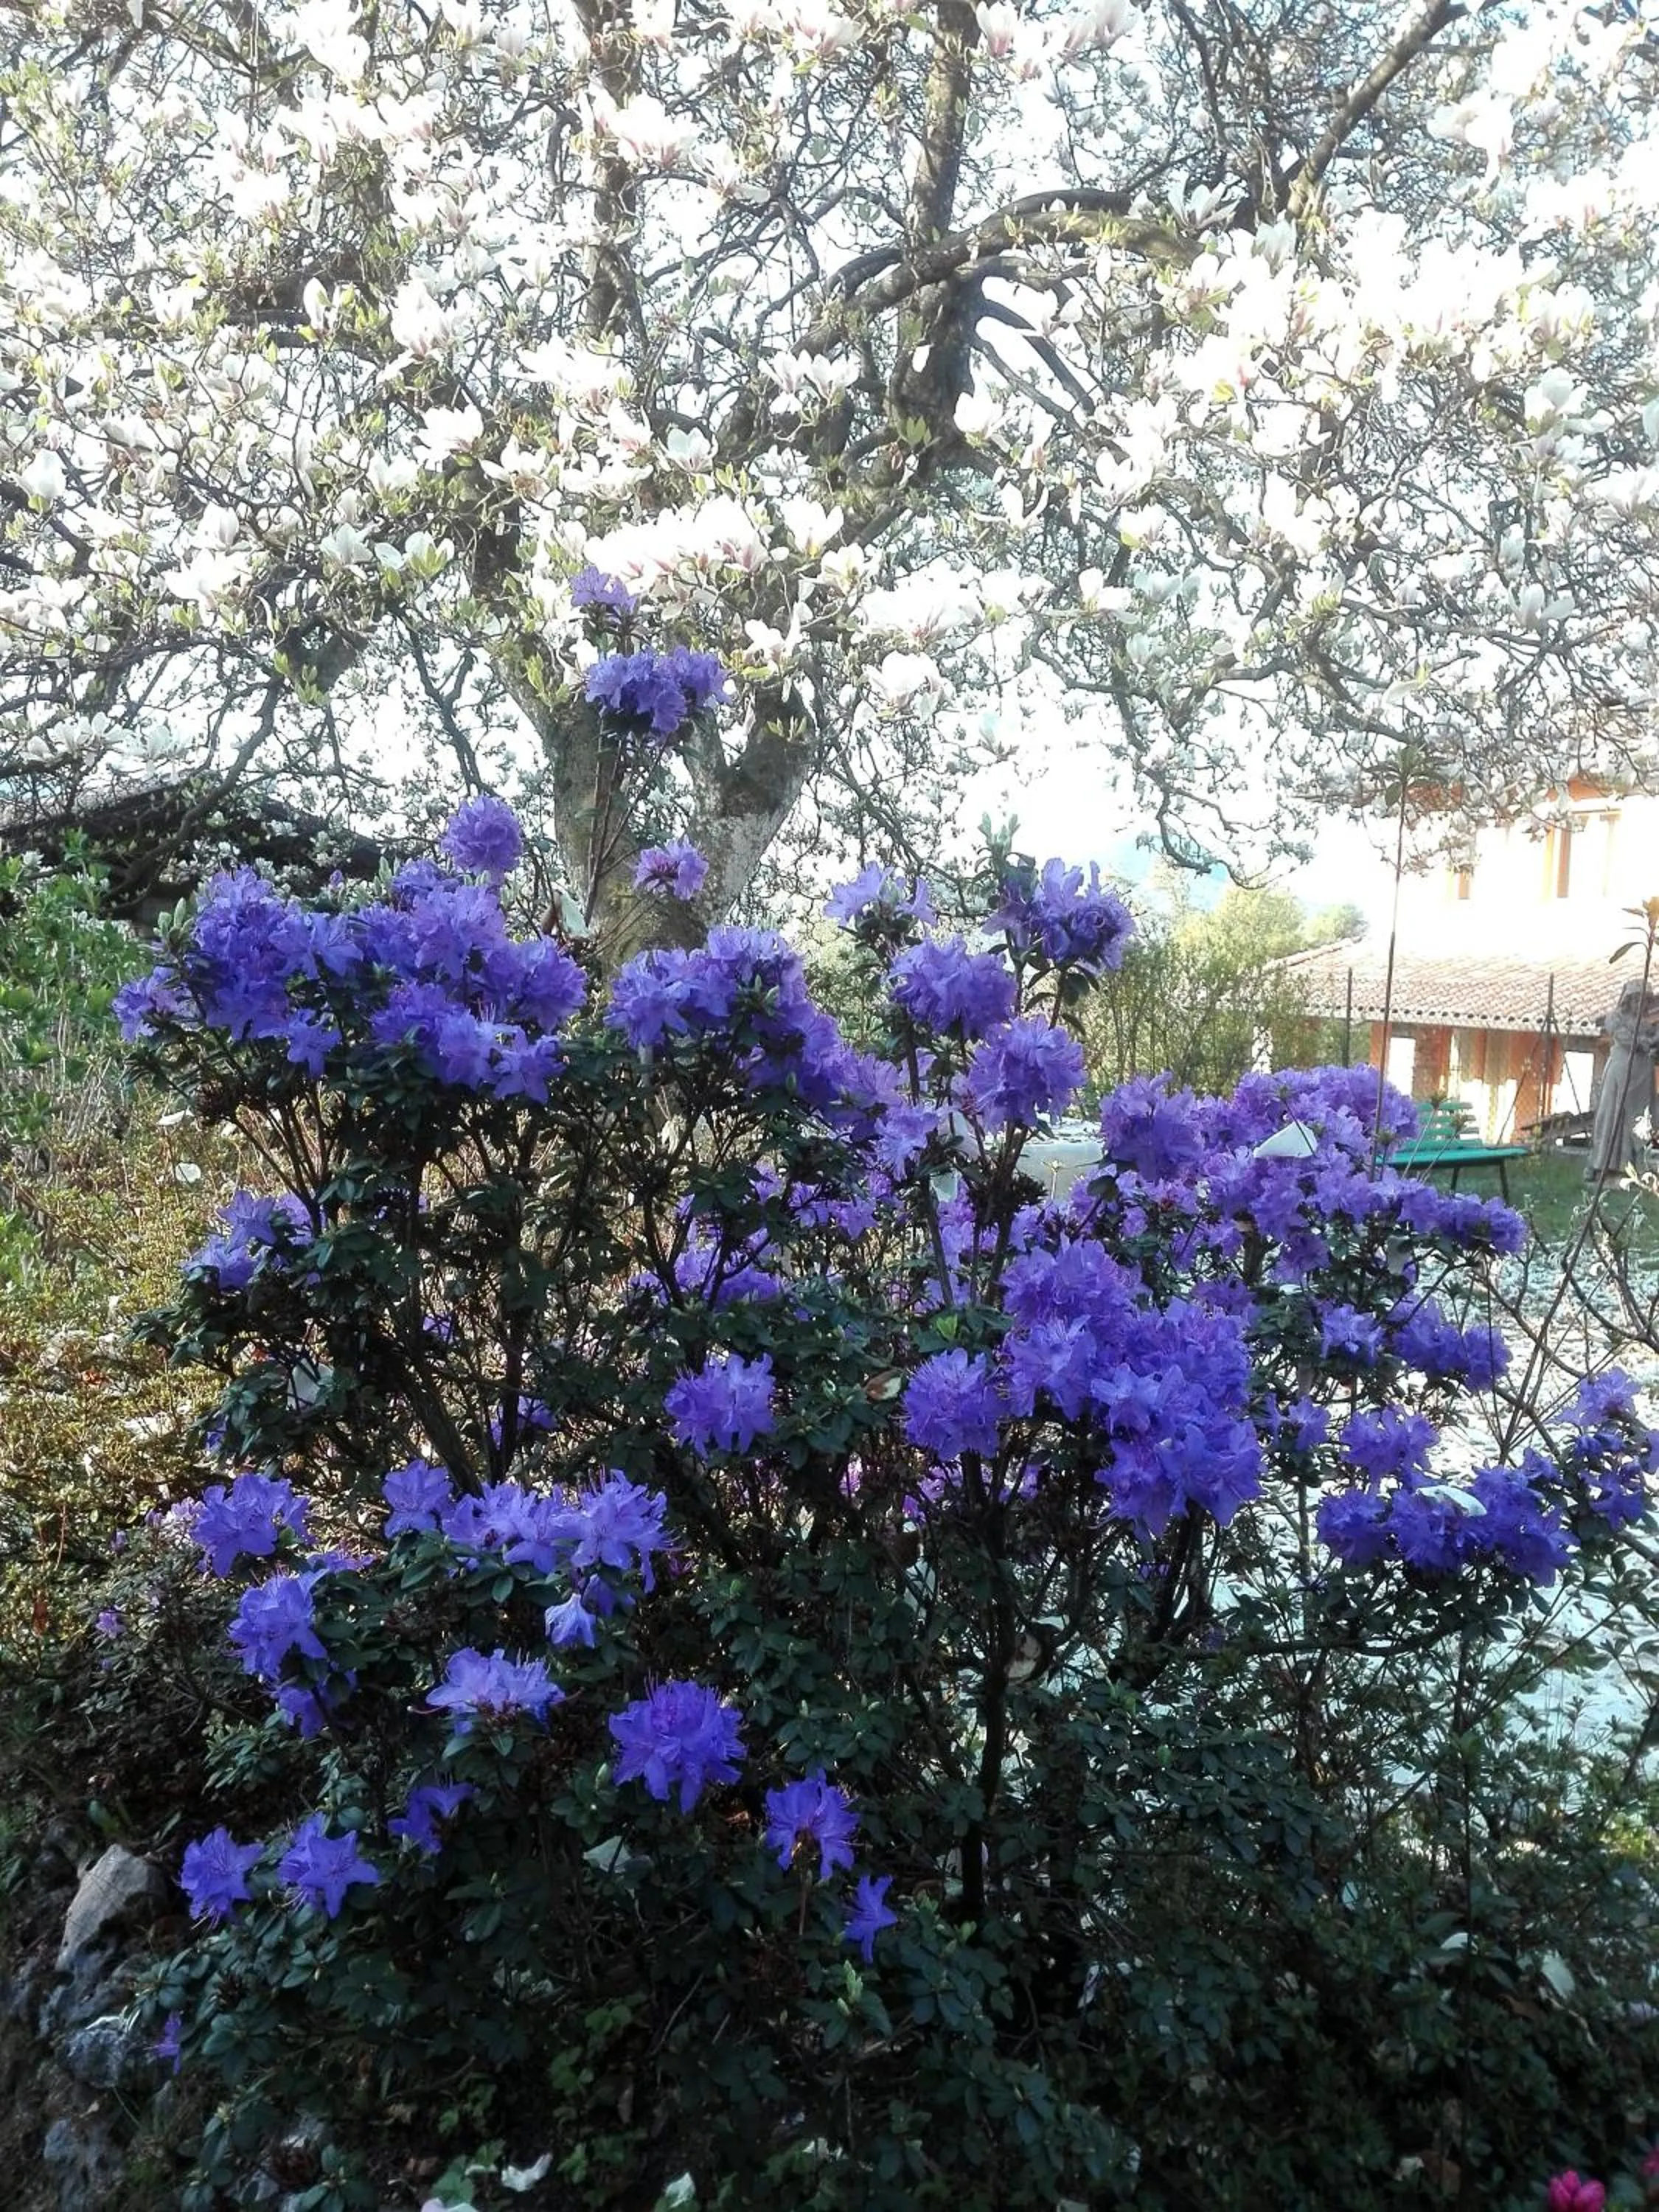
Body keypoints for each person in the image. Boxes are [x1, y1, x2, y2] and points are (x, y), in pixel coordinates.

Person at [1587, 980, 1659, 1181]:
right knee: (1612, 1115)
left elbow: (1652, 1045)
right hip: (1620, 1072)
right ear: (1628, 1000)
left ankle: (1634, 1167)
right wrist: (1646, 1043)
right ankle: (1604, 1165)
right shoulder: (1616, 1019)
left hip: (1641, 1074)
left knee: (1639, 1119)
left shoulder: (1648, 1026)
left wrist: (1651, 1042)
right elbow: (1627, 1040)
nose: (1641, 1005)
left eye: (1645, 1001)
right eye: (1637, 1000)